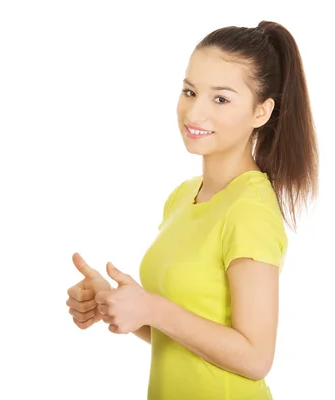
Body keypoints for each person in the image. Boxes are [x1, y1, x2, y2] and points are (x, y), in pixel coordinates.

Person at [66, 20, 319, 400]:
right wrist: (115, 303)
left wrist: (152, 307)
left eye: (221, 98)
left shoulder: (249, 209)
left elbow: (255, 358)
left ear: (261, 112)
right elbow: (181, 336)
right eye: (189, 91)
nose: (194, 112)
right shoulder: (183, 196)